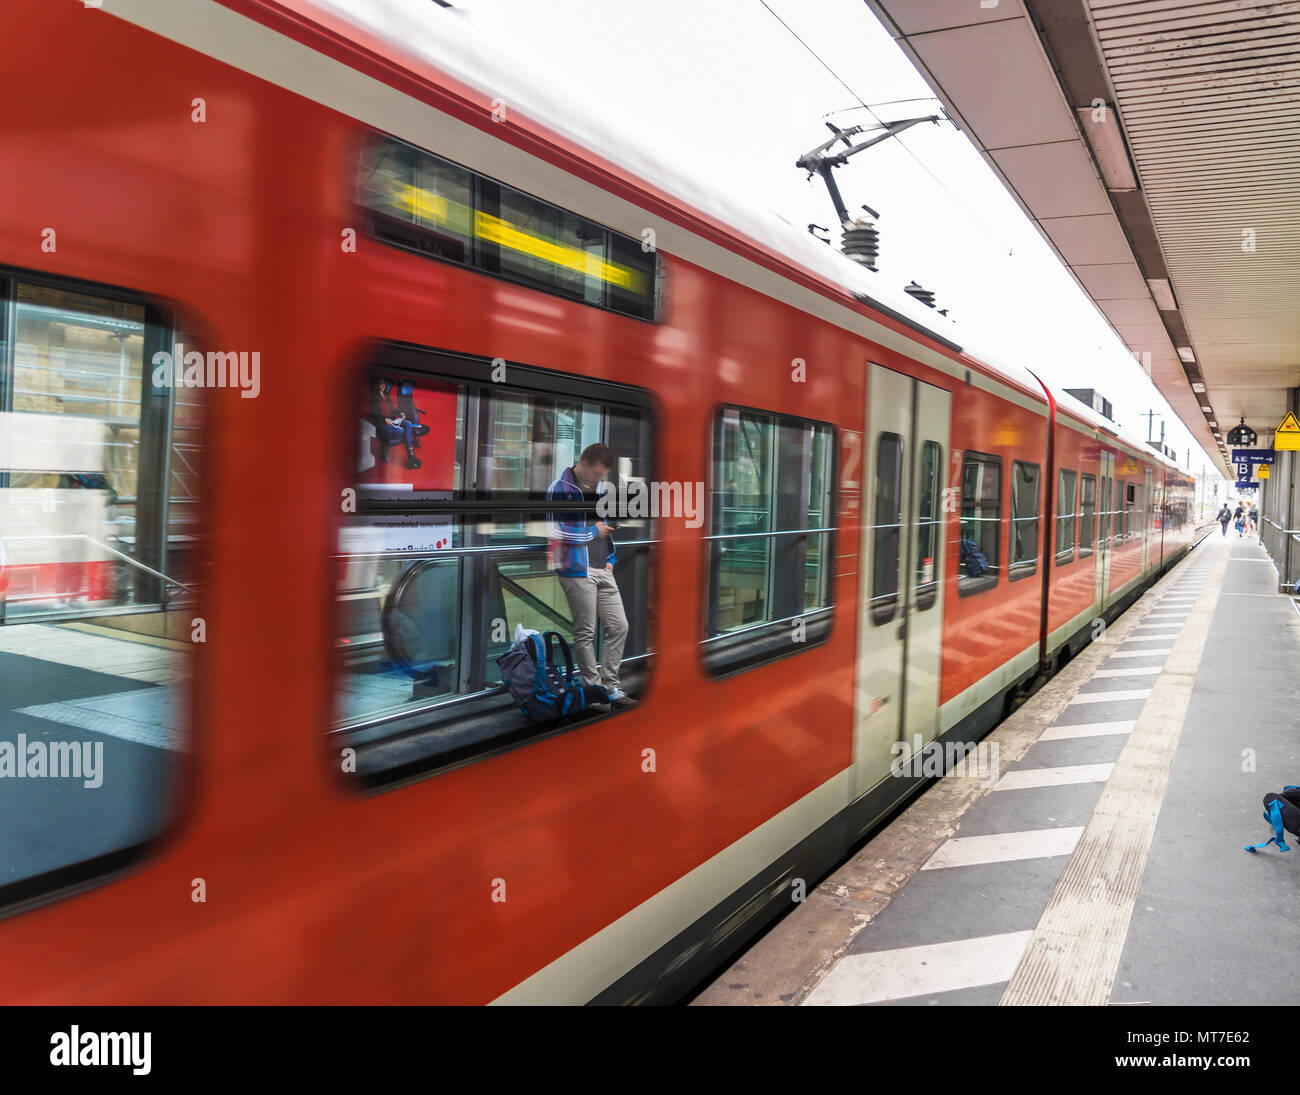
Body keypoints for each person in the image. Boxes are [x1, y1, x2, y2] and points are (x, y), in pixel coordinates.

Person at [547, 443, 634, 709]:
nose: (599, 479)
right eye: (596, 473)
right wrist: (592, 532)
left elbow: (603, 525)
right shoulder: (558, 488)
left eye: (602, 475)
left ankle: (611, 687)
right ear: (583, 463)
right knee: (585, 632)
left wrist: (610, 557)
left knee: (619, 626)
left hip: (602, 568)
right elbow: (555, 531)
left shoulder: (599, 489)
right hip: (575, 570)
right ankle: (594, 692)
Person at [370, 376, 428, 469]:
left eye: (384, 384)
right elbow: (373, 414)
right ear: (377, 385)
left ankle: (411, 455)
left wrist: (399, 413)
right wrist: (384, 419)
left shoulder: (387, 397)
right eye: (381, 384)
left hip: (392, 420)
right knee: (403, 431)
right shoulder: (374, 398)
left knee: (408, 423)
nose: (383, 386)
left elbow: (392, 409)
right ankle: (409, 457)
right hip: (382, 423)